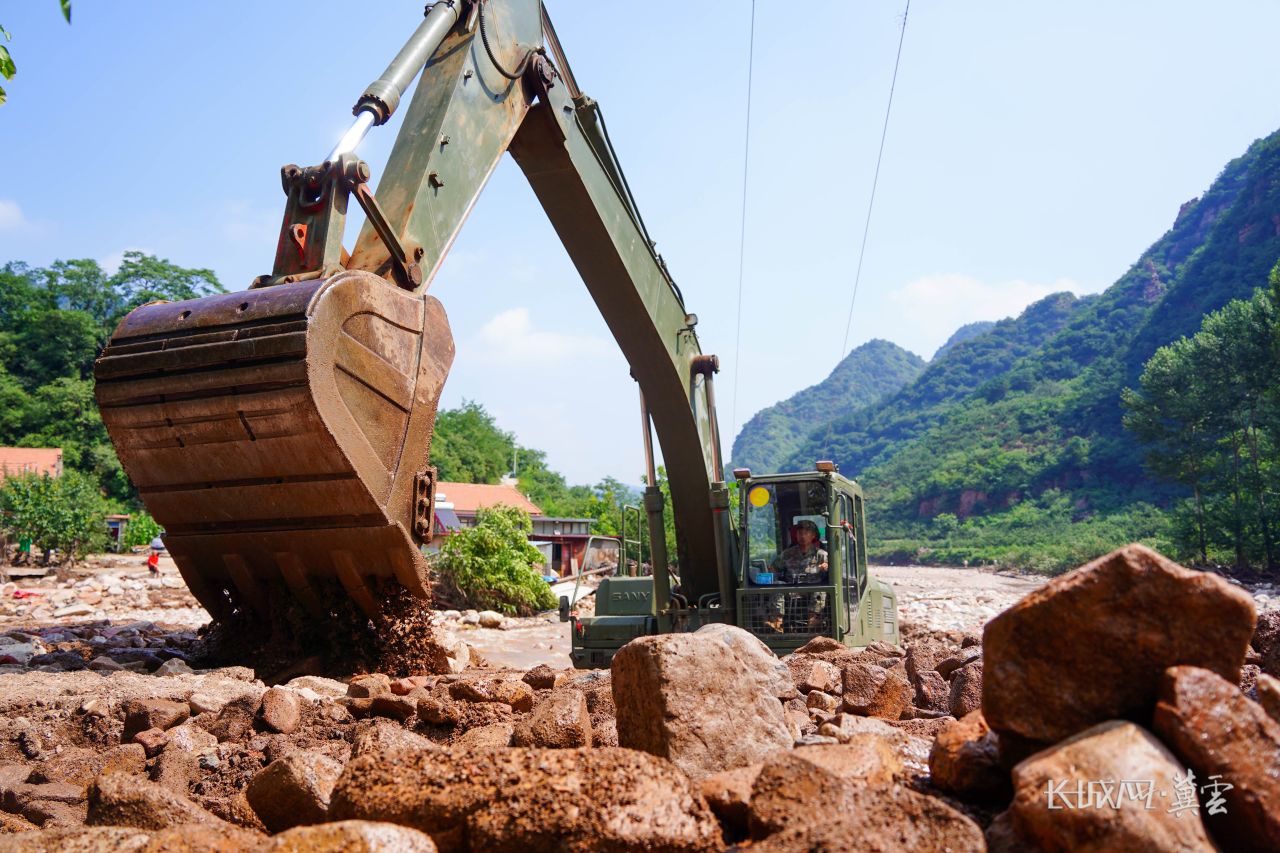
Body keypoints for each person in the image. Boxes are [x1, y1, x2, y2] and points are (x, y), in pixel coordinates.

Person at [771, 519, 828, 584]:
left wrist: (825, 567)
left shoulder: (821, 554)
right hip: (792, 591)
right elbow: (773, 569)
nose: (803, 536)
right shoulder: (787, 554)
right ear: (796, 535)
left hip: (815, 591)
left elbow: (833, 572)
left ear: (813, 535)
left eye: (806, 533)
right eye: (800, 533)